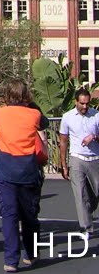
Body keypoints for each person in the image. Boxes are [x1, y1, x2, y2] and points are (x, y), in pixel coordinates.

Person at [0, 79, 49, 272]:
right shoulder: (34, 114)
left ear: (7, 95)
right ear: (26, 95)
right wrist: (31, 104)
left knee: (9, 216)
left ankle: (11, 260)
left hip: (5, 171)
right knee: (30, 216)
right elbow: (44, 123)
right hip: (28, 170)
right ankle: (32, 253)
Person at [59, 87, 99, 235]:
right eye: (82, 103)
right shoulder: (67, 117)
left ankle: (88, 209)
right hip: (77, 159)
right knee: (80, 193)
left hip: (95, 158)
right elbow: (63, 141)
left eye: (87, 104)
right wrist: (63, 164)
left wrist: (94, 137)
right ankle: (86, 228)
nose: (85, 107)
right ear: (76, 102)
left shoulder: (96, 116)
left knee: (95, 194)